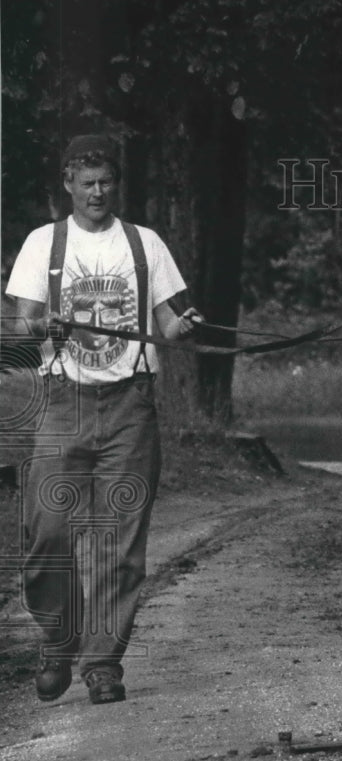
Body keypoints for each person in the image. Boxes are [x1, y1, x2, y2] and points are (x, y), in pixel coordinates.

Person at [5, 133, 204, 705]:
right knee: (46, 533)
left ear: (116, 184)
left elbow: (167, 324)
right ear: (68, 184)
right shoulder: (44, 243)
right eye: (87, 183)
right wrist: (45, 327)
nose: (97, 192)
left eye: (106, 182)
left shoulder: (145, 244)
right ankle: (58, 640)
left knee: (122, 544)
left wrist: (183, 326)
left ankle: (102, 664)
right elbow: (19, 327)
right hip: (62, 403)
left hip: (130, 406)